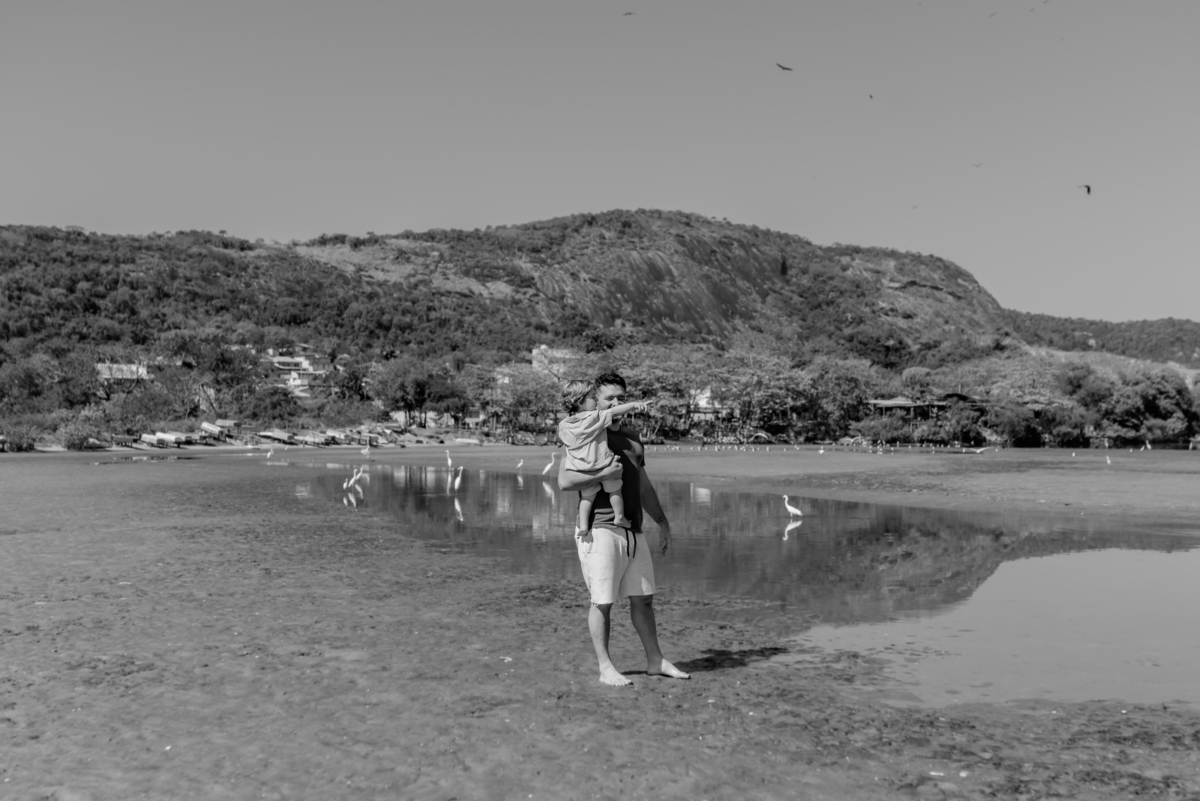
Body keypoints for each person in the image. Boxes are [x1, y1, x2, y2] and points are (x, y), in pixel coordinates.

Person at [559, 371, 690, 686]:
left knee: (643, 598)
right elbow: (565, 481)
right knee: (602, 602)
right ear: (595, 403)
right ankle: (606, 668)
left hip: (634, 529)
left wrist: (662, 521)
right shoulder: (589, 430)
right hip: (600, 529)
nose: (616, 403)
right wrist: (605, 471)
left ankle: (655, 661)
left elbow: (642, 485)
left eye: (621, 397)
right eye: (609, 399)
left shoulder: (632, 436)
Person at [557, 379, 649, 537]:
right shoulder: (594, 417)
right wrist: (634, 404)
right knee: (615, 491)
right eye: (593, 398)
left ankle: (584, 525)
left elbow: (562, 441)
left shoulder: (563, 425)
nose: (595, 401)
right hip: (603, 464)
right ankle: (619, 517)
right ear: (580, 402)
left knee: (587, 497)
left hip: (582, 468)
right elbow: (615, 412)